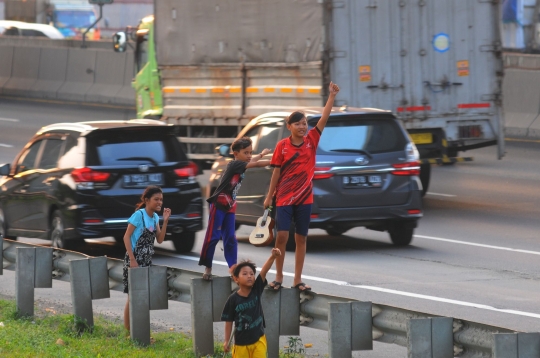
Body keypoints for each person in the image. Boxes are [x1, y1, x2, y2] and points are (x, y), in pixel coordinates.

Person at [263, 81, 340, 292]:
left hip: (305, 198)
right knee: (282, 236)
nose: (302, 126)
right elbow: (276, 172)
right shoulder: (282, 146)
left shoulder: (312, 140)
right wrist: (270, 197)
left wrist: (331, 97)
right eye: (297, 123)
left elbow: (324, 118)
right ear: (289, 127)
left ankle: (297, 279)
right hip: (285, 198)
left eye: (304, 123)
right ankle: (278, 276)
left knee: (301, 238)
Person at [199, 137, 271, 280]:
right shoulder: (234, 164)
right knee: (213, 237)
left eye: (250, 152)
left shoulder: (242, 162)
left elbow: (252, 161)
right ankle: (208, 268)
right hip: (219, 203)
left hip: (230, 205)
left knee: (231, 238)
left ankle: (233, 267)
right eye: (246, 153)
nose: (249, 156)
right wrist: (272, 162)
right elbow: (255, 164)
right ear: (236, 154)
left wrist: (262, 154)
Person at [122, 185, 170, 331]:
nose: (159, 203)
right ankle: (128, 331)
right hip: (134, 260)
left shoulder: (155, 217)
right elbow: (126, 237)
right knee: (132, 298)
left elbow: (160, 240)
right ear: (147, 200)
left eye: (161, 200)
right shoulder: (139, 215)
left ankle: (139, 331)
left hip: (146, 261)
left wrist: (165, 221)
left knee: (142, 298)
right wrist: (132, 259)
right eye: (156, 199)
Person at [221, 248, 282, 356]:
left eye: (251, 274)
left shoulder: (256, 290)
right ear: (236, 279)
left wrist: (273, 257)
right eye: (244, 274)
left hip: (259, 339)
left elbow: (264, 271)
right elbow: (228, 321)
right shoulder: (233, 299)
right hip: (241, 344)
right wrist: (226, 340)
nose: (249, 276)